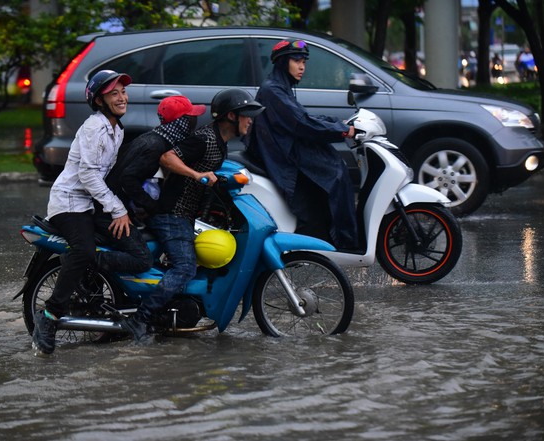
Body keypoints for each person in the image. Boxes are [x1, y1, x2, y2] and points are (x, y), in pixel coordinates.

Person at [121, 88, 264, 344]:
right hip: (171, 214)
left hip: (185, 215)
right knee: (185, 267)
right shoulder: (204, 138)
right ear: (231, 116)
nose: (251, 120)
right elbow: (168, 157)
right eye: (247, 115)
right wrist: (196, 175)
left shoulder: (220, 142)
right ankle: (140, 319)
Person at [32, 69, 151, 355]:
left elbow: (107, 176)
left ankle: (127, 311)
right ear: (99, 101)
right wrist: (117, 208)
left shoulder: (117, 129)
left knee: (134, 248)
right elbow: (88, 175)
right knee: (84, 250)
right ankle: (48, 318)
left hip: (91, 204)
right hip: (69, 204)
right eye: (114, 94)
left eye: (123, 92)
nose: (122, 97)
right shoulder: (93, 128)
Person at [244, 39, 359, 251]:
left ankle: (339, 242)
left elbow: (302, 116)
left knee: (336, 170)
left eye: (304, 62)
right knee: (335, 173)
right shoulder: (273, 91)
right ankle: (345, 243)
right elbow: (302, 123)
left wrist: (337, 123)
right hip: (283, 159)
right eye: (296, 61)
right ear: (282, 63)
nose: (302, 67)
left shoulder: (280, 88)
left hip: (289, 151)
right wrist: (342, 130)